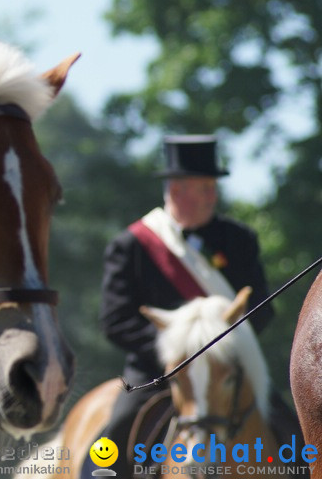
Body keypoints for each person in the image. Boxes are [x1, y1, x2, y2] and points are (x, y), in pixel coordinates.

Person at [92, 134, 275, 476]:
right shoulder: (131, 244)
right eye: (203, 187)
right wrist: (179, 354)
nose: (212, 196)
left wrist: (221, 349)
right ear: (176, 192)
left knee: (290, 424)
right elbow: (115, 319)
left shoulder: (240, 239)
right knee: (116, 435)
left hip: (228, 369)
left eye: (212, 187)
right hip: (157, 370)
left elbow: (262, 308)